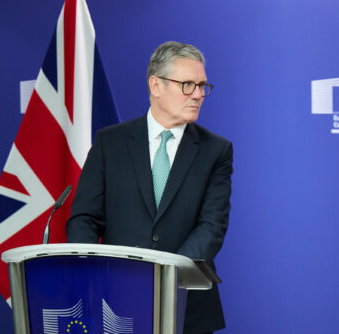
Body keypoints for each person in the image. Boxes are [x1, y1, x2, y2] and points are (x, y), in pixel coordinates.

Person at [66, 41, 232, 334]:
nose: (197, 95)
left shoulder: (216, 150)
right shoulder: (110, 143)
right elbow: (84, 219)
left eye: (202, 86)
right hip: (114, 303)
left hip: (187, 307)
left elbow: (212, 226)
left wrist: (163, 276)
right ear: (156, 85)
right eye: (188, 85)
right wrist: (91, 276)